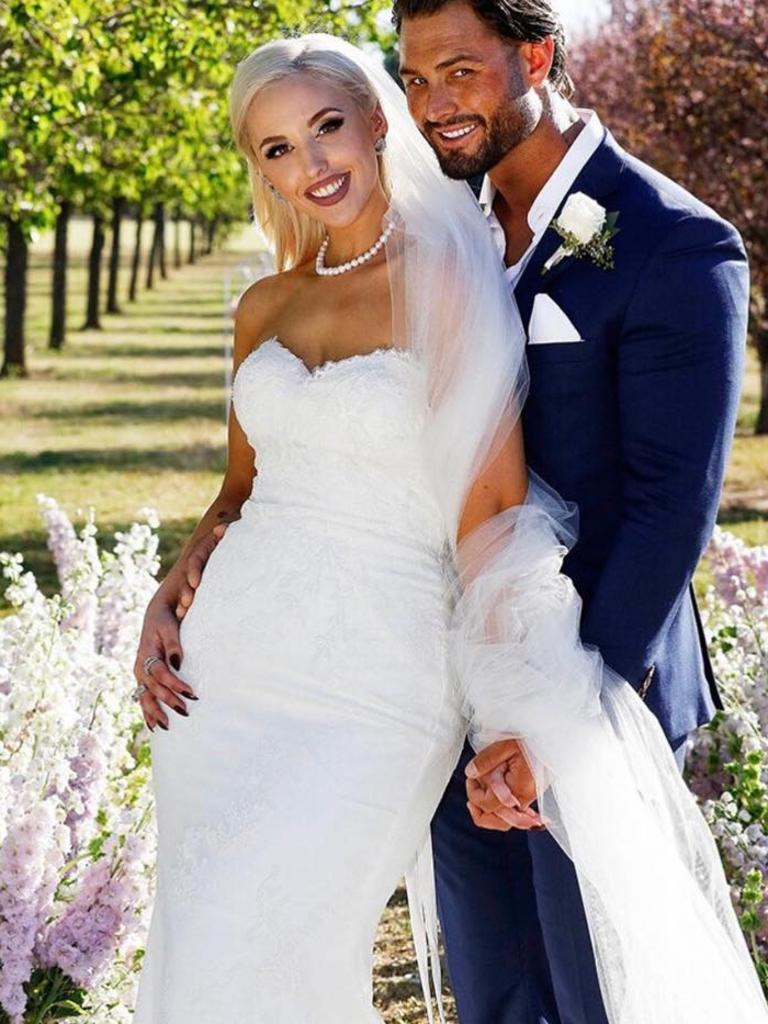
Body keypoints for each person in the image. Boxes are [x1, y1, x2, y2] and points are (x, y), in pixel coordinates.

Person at [131, 31, 767, 1024]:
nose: (313, 163)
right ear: (256, 169)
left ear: (375, 122)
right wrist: (171, 590)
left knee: (290, 929)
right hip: (226, 680)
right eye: (278, 148)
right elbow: (239, 490)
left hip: (380, 678)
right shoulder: (262, 306)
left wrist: (524, 703)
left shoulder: (448, 278)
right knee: (212, 943)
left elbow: (494, 523)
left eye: (328, 127)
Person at [392, 0, 751, 1020]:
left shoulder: (672, 243)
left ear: (536, 56)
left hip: (593, 686)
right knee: (498, 994)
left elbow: (667, 507)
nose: (435, 106)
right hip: (456, 680)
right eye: (416, 80)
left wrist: (555, 722)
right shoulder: (441, 232)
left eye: (460, 72)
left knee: (603, 994)